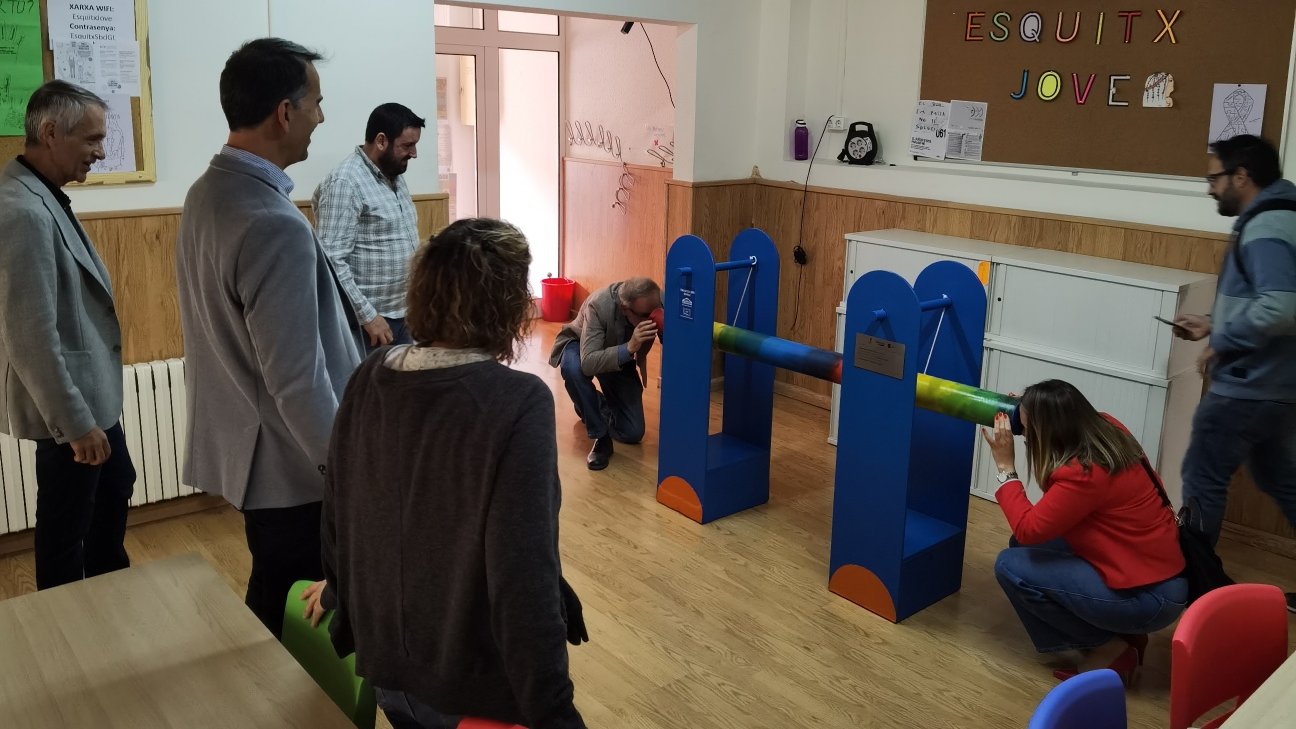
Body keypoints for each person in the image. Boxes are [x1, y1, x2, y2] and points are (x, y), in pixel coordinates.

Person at [318, 218, 587, 729]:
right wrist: (554, 714)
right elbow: (522, 574)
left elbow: (339, 509)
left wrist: (337, 591)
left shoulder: (370, 373)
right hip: (467, 689)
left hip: (383, 665)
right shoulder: (518, 402)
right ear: (508, 304)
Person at [175, 38, 361, 638]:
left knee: (275, 586)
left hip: (250, 451)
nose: (321, 118)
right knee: (299, 609)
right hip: (293, 465)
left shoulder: (207, 192)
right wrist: (344, 467)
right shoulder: (271, 222)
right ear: (285, 112)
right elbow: (297, 379)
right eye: (316, 103)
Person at [0, 80, 136, 590]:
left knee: (113, 493)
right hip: (70, 410)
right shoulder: (21, 211)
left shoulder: (42, 195)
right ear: (52, 133)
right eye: (92, 139)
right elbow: (30, 336)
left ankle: (108, 604)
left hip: (88, 399)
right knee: (66, 533)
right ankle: (66, 627)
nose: (101, 152)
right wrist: (76, 425)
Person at [982, 380, 1186, 684]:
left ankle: (1108, 648)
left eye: (1027, 429)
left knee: (1010, 565)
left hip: (1150, 598)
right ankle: (1122, 634)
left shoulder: (1083, 473)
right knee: (1022, 550)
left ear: (1047, 431)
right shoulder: (1104, 426)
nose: (1024, 434)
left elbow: (1028, 528)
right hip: (1153, 570)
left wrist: (1005, 468)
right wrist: (1028, 408)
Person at [1175, 134, 1296, 612]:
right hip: (1279, 386)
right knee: (1283, 480)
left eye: (1214, 178)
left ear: (1241, 177)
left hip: (1247, 386)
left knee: (1202, 476)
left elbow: (1281, 308)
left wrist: (1223, 339)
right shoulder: (1286, 214)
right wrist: (1212, 323)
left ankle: (1197, 588)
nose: (1210, 188)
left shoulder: (1265, 226)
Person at [313, 103, 425, 352]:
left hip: (403, 314)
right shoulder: (345, 182)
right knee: (372, 379)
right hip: (367, 324)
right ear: (381, 141)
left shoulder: (394, 175)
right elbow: (331, 260)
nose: (414, 153)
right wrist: (368, 317)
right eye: (407, 145)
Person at [548, 277, 661, 470]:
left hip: (617, 353)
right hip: (583, 346)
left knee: (632, 432)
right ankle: (601, 436)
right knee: (573, 368)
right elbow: (588, 363)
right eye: (645, 315)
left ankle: (591, 405)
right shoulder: (599, 305)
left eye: (655, 311)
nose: (652, 318)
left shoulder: (655, 300)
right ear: (625, 309)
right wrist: (630, 347)